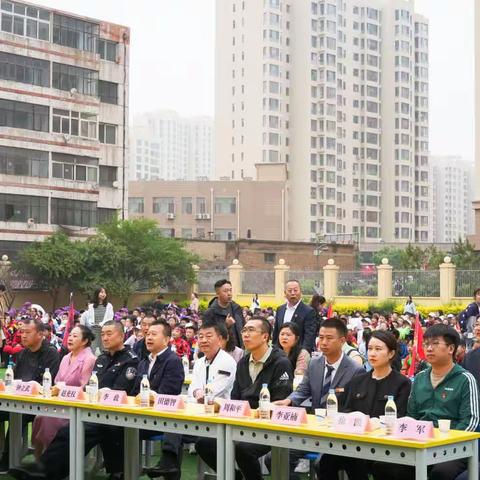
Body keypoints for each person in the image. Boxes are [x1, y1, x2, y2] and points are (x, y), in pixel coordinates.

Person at [10, 321, 139, 480]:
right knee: (67, 428)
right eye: (103, 334)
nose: (104, 338)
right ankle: (42, 469)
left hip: (114, 415)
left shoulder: (130, 360)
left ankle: (43, 471)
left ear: (121, 335)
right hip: (91, 410)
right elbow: (90, 388)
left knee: (75, 429)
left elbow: (118, 391)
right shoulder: (102, 358)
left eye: (109, 334)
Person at [373, 324, 480, 480]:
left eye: (435, 344)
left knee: (440, 472)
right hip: (421, 442)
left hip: (454, 448)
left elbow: (470, 421)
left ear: (451, 349)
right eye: (426, 344)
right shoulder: (420, 378)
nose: (429, 348)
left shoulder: (465, 379)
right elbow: (412, 415)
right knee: (385, 466)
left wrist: (445, 441)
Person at [196, 317, 293, 480]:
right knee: (204, 444)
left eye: (251, 330)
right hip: (242, 423)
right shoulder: (242, 362)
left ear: (265, 337)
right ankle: (235, 476)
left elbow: (279, 403)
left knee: (243, 448)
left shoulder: (280, 362)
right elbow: (235, 399)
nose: (246, 335)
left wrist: (252, 413)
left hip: (268, 426)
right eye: (244, 330)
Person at [272, 318, 364, 480]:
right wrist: (289, 401)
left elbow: (355, 407)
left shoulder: (355, 370)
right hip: (314, 430)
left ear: (342, 341)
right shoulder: (314, 363)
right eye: (321, 337)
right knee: (275, 457)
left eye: (329, 338)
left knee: (322, 464)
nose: (323, 342)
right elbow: (303, 389)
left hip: (339, 433)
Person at [318, 330, 411, 479]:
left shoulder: (402, 383)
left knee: (379, 467)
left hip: (384, 445)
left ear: (391, 354)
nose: (372, 353)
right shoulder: (358, 381)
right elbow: (343, 408)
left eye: (378, 349)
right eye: (370, 349)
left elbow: (401, 415)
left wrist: (377, 422)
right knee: (325, 462)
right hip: (355, 442)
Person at [0, 319, 60, 473]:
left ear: (40, 334)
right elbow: (14, 380)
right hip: (19, 399)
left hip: (40, 404)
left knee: (17, 417)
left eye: (27, 332)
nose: (23, 336)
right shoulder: (22, 353)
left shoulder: (51, 353)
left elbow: (48, 384)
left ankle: (8, 460)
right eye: (22, 332)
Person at [31, 325, 96, 457]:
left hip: (77, 406)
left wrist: (62, 390)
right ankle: (40, 461)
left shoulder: (90, 359)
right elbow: (57, 381)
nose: (70, 338)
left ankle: (52, 461)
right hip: (60, 403)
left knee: (47, 418)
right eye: (70, 335)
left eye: (75, 336)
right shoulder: (66, 357)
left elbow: (85, 388)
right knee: (39, 416)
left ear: (85, 341)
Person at [134, 320, 185, 479]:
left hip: (162, 418)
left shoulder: (173, 361)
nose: (148, 337)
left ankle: (169, 465)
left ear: (166, 339)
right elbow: (134, 391)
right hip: (140, 415)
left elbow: (168, 395)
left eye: (154, 334)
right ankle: (120, 470)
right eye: (147, 334)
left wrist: (148, 397)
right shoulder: (144, 362)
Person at [188, 321, 237, 402]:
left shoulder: (227, 361)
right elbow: (192, 387)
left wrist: (200, 395)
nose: (203, 340)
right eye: (200, 337)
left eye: (208, 336)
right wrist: (196, 392)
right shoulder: (199, 362)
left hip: (219, 410)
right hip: (197, 407)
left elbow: (216, 390)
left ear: (219, 339)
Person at [272, 279, 317, 352]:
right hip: (280, 352)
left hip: (298, 353)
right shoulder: (280, 309)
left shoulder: (309, 311)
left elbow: (309, 335)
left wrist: (304, 352)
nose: (293, 293)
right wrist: (274, 349)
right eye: (289, 291)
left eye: (295, 290)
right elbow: (276, 332)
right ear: (285, 293)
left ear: (300, 292)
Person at [203, 279, 244, 348]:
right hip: (219, 350)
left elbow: (243, 327)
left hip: (238, 350)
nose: (229, 293)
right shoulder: (210, 313)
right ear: (217, 293)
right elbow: (207, 335)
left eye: (230, 290)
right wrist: (225, 325)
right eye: (225, 291)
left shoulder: (237, 308)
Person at [80, 287, 114, 354]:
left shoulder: (109, 306)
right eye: (101, 292)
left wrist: (102, 323)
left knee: (105, 349)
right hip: (94, 330)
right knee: (92, 348)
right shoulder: (91, 306)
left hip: (104, 330)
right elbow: (89, 318)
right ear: (97, 294)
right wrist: (92, 323)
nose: (103, 294)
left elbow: (110, 318)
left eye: (104, 292)